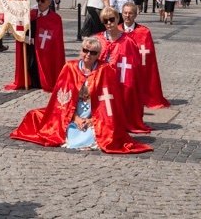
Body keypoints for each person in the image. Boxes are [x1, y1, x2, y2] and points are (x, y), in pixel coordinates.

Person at [10, 36, 152, 154]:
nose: (88, 54)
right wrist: (76, 118)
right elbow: (61, 99)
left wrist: (92, 120)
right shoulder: (70, 67)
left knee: (102, 133)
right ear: (81, 50)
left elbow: (109, 104)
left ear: (98, 55)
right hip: (72, 113)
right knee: (34, 115)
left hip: (94, 115)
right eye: (85, 50)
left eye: (93, 52)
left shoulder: (105, 69)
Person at [96, 7, 151, 133]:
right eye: (105, 20)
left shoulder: (128, 41)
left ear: (117, 19)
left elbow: (135, 66)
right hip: (102, 81)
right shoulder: (98, 39)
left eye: (111, 19)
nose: (109, 23)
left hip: (122, 79)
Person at [5, 0, 65, 92]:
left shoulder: (55, 19)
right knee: (30, 65)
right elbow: (21, 28)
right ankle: (29, 81)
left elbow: (54, 39)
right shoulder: (31, 15)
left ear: (49, 2)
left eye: (42, 1)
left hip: (46, 51)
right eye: (38, 0)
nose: (39, 3)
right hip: (30, 49)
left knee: (43, 66)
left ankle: (42, 82)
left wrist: (35, 40)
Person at [120, 2, 170, 108]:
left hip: (139, 66)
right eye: (125, 13)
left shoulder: (144, 31)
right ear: (121, 14)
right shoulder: (117, 30)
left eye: (130, 13)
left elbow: (148, 53)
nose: (127, 16)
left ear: (136, 15)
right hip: (123, 65)